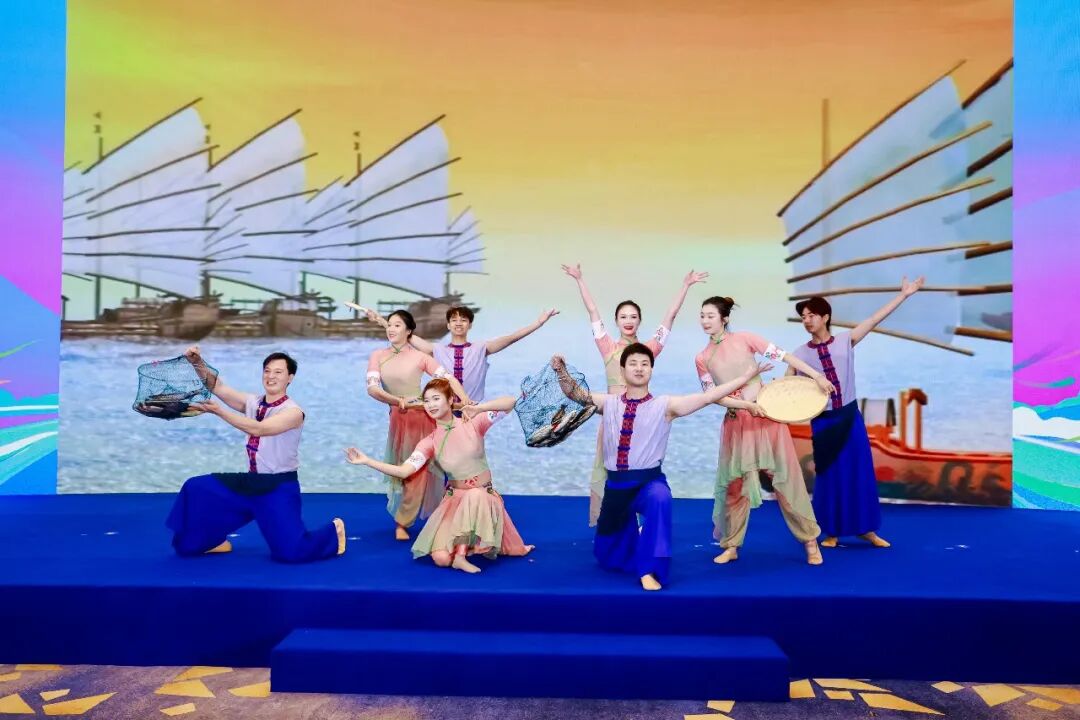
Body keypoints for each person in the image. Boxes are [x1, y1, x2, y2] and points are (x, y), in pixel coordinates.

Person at [553, 344, 769, 591]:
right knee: (608, 557)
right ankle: (632, 539)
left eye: (645, 364)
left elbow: (708, 397)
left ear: (651, 370)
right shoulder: (607, 403)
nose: (639, 368)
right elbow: (575, 394)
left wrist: (744, 378)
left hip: (648, 483)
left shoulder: (665, 406)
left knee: (661, 498)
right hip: (616, 488)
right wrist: (561, 371)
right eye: (633, 363)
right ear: (622, 370)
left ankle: (648, 570)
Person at [165, 347, 345, 563]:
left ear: (290, 378)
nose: (271, 376)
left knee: (291, 553)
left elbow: (259, 429)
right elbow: (217, 386)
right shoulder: (253, 402)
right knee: (196, 488)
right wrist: (197, 362)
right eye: (267, 371)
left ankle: (333, 534)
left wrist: (219, 411)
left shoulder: (294, 412)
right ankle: (211, 541)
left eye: (278, 372)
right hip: (250, 483)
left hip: (278, 487)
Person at [561, 264, 708, 525]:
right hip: (612, 418)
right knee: (609, 472)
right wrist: (579, 279)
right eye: (623, 317)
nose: (628, 321)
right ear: (616, 321)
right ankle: (615, 524)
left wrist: (685, 285)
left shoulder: (648, 349)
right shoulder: (607, 346)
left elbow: (670, 316)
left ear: (639, 320)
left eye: (633, 316)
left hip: (643, 419)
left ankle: (641, 523)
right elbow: (593, 311)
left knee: (642, 471)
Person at [695, 296, 836, 566]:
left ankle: (810, 541)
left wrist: (816, 376)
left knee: (786, 481)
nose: (705, 321)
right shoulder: (702, 358)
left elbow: (784, 356)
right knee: (734, 486)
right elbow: (713, 396)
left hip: (767, 419)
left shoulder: (746, 339)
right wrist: (746, 405)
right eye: (702, 316)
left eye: (710, 316)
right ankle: (731, 544)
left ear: (724, 318)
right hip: (737, 423)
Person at [789, 276, 924, 549]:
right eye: (803, 317)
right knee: (829, 476)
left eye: (812, 315)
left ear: (825, 317)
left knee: (859, 472)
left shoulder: (844, 341)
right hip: (823, 422)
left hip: (849, 418)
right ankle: (831, 531)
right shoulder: (799, 354)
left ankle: (867, 530)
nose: (807, 321)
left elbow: (874, 319)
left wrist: (904, 295)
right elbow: (786, 388)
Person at [346, 378, 532, 573]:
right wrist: (367, 461)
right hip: (455, 501)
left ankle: (460, 556)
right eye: (426, 401)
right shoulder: (430, 441)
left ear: (450, 400)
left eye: (436, 399)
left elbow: (511, 402)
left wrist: (479, 408)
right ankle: (465, 546)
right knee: (441, 559)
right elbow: (404, 471)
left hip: (483, 498)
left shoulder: (473, 423)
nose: (431, 405)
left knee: (475, 494)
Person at [366, 309, 472, 540]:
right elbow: (373, 389)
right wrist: (398, 402)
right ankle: (403, 521)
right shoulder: (378, 355)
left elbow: (448, 378)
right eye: (389, 324)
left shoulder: (420, 357)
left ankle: (453, 517)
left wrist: (464, 399)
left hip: (426, 416)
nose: (391, 329)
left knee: (441, 468)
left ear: (409, 331)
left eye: (397, 325)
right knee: (410, 472)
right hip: (402, 419)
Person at [366, 305, 560, 402]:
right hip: (443, 412)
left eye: (463, 320)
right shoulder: (437, 350)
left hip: (471, 411)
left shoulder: (481, 348)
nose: (458, 323)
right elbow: (406, 334)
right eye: (454, 320)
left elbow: (511, 338)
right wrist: (380, 321)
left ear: (470, 325)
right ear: (448, 325)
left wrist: (538, 323)